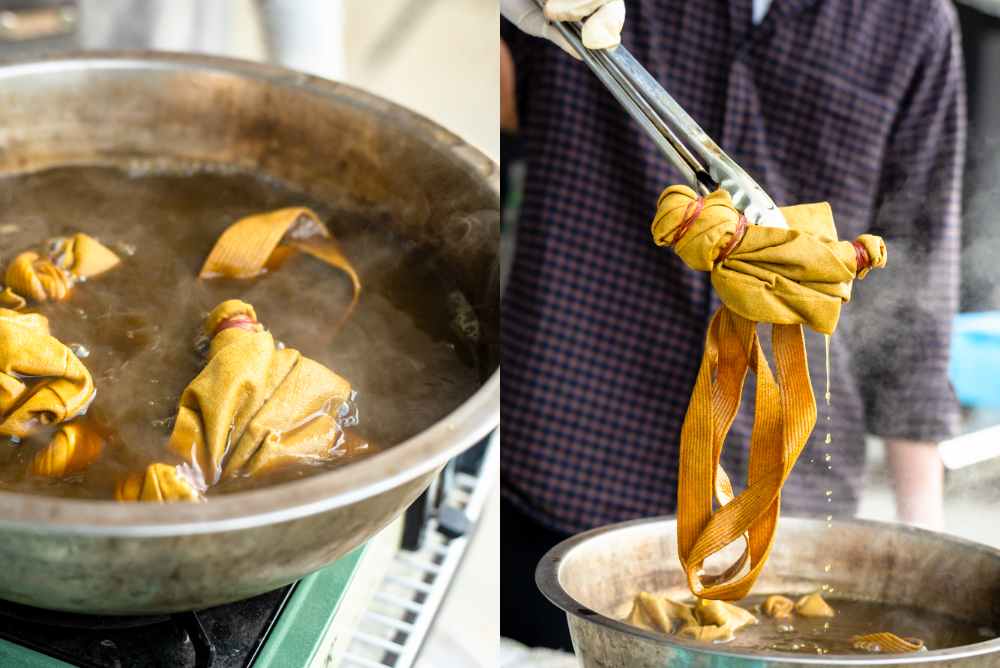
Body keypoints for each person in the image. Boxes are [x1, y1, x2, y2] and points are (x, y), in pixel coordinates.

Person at [500, 0, 964, 650]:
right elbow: (500, 90)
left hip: (788, 524)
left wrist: (927, 546)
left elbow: (917, 295)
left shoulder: (913, 21)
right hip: (559, 474)